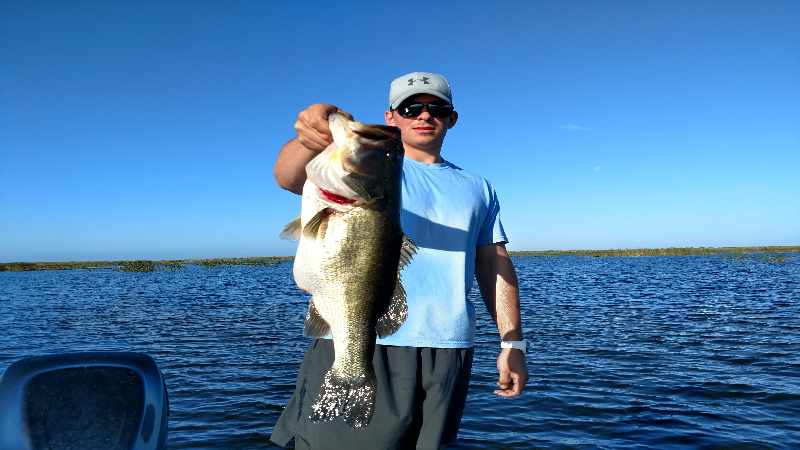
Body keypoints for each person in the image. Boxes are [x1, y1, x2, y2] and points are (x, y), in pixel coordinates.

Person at [270, 72, 528, 449]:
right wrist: (312, 131)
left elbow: (493, 264)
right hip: (359, 337)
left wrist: (513, 345)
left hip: (450, 350)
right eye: (411, 108)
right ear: (391, 117)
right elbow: (287, 175)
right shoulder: (364, 169)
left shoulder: (479, 188)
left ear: (451, 118)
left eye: (436, 108)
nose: (424, 116)